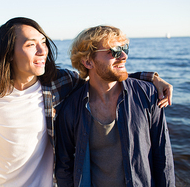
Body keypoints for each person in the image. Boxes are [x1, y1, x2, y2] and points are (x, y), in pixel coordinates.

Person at [0, 17, 173, 186]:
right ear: (9, 52)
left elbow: (102, 75)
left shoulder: (59, 84)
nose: (42, 50)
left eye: (42, 41)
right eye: (30, 44)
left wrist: (151, 78)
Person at [55, 25, 175, 187]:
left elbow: (163, 157)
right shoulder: (71, 108)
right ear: (88, 61)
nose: (124, 56)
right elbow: (64, 165)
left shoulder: (148, 95)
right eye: (114, 51)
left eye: (124, 49)